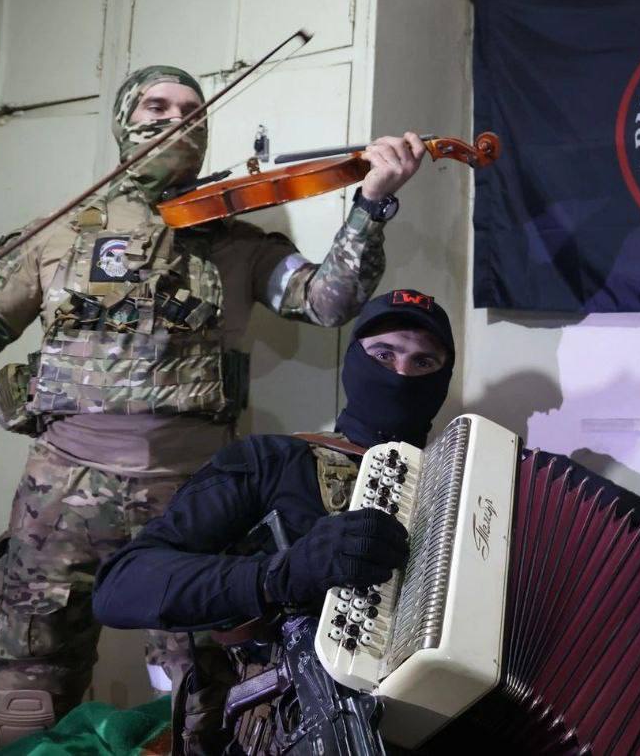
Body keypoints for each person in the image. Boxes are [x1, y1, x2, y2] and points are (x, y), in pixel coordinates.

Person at [0, 64, 430, 748]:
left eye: (192, 111)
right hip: (60, 491)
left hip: (193, 500)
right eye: (157, 106)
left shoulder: (238, 241)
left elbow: (328, 301)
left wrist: (372, 204)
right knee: (33, 670)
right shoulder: (55, 234)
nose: (176, 120)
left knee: (203, 685)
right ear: (124, 123)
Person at [91, 288, 454, 753]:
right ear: (354, 361)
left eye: (423, 362)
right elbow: (120, 586)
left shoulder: (458, 488)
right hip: (289, 724)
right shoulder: (273, 461)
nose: (401, 374)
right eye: (384, 354)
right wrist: (278, 575)